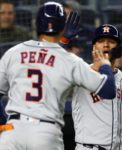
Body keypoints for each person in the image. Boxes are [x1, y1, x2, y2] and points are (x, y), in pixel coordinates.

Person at [0, 2, 116, 150]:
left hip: (12, 132)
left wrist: (5, 124)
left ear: (36, 24)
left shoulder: (14, 52)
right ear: (63, 27)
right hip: (45, 133)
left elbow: (43, 57)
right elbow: (108, 90)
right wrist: (105, 64)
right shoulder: (69, 60)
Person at [72, 24, 122, 150]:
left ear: (119, 48)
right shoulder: (81, 74)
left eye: (111, 41)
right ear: (93, 47)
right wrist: (62, 42)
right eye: (100, 41)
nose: (106, 45)